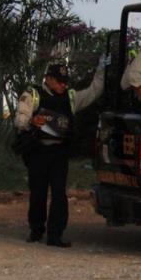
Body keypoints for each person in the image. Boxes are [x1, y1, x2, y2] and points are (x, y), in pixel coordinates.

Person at [14, 59, 106, 247]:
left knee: (59, 194)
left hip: (59, 152)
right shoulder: (33, 95)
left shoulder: (71, 97)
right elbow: (19, 120)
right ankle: (36, 230)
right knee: (38, 192)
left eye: (65, 81)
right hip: (37, 151)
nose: (63, 85)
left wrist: (102, 69)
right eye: (59, 81)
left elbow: (94, 91)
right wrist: (32, 121)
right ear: (48, 79)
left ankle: (55, 235)